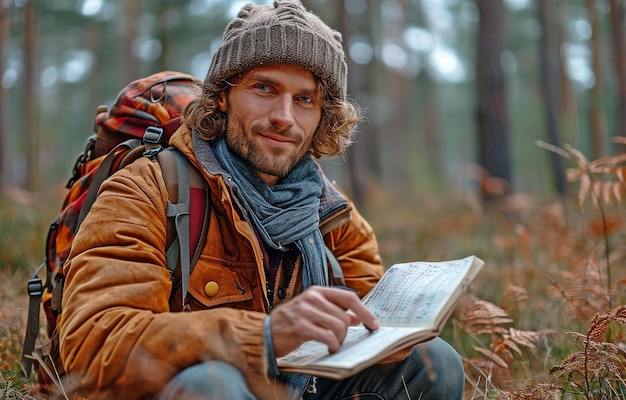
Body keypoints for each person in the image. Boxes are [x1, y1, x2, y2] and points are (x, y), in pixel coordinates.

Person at [58, 1, 465, 399]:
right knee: (213, 386)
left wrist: (389, 342)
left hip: (301, 387)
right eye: (264, 88)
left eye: (305, 99)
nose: (284, 117)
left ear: (324, 115)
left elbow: (369, 328)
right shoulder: (147, 189)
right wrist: (264, 337)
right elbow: (93, 345)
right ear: (222, 95)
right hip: (191, 389)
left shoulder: (331, 213)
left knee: (435, 363)